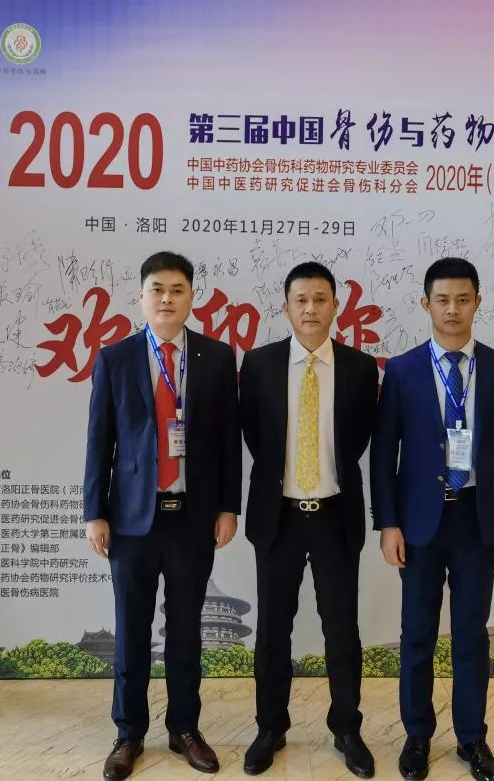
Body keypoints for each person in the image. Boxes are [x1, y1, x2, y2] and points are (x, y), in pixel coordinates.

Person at [370, 257, 494, 781]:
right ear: (426, 305)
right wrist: (388, 523)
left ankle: (471, 738)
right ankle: (417, 736)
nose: (453, 309)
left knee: (470, 635)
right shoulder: (402, 370)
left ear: (477, 303)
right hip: (419, 523)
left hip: (478, 521)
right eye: (442, 300)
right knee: (416, 633)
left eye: (463, 299)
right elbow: (384, 452)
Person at [84, 251, 242, 781]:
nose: (167, 299)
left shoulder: (215, 358)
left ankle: (184, 729)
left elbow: (228, 441)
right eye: (157, 289)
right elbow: (99, 442)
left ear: (192, 297)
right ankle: (128, 733)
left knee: (186, 632)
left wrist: (228, 507)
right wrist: (94, 513)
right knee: (131, 632)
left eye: (177, 290)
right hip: (131, 522)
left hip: (192, 519)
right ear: (141, 296)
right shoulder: (115, 358)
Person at [239, 262, 380, 778]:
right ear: (286, 307)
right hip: (278, 516)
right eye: (301, 300)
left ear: (335, 306)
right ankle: (270, 728)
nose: (311, 309)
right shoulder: (259, 364)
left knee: (341, 630)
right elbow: (255, 437)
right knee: (272, 631)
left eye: (320, 299)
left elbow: (359, 439)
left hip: (335, 517)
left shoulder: (361, 368)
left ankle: (346, 728)